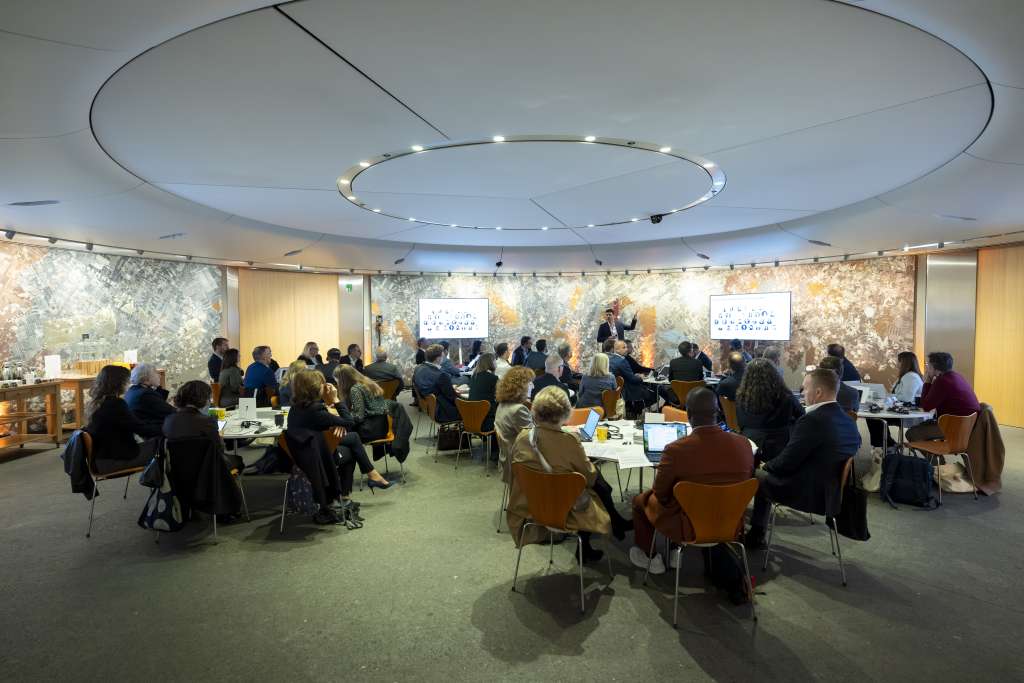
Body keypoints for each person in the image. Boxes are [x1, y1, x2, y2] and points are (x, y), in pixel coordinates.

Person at [629, 388, 754, 580]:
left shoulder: (675, 450)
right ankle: (675, 552)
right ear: (717, 412)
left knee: (641, 501)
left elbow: (661, 494)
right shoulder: (744, 445)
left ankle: (650, 557)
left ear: (688, 414)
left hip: (687, 526)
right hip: (730, 522)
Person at [507, 386, 630, 562]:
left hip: (532, 503)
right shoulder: (568, 441)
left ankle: (611, 527)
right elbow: (589, 477)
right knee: (593, 483)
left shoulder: (523, 438)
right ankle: (613, 524)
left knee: (585, 481)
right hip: (565, 507)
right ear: (565, 412)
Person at [746, 368, 862, 547]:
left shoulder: (812, 421)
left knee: (751, 474)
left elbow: (786, 463)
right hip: (832, 494)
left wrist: (764, 466)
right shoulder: (849, 421)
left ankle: (752, 533)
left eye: (805, 388)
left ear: (818, 392)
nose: (802, 393)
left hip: (807, 492)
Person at [287, 370, 391, 524]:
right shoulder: (316, 411)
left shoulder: (296, 408)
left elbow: (326, 424)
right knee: (351, 450)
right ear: (315, 387)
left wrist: (336, 423)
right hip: (317, 460)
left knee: (352, 439)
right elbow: (350, 422)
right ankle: (348, 491)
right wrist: (335, 399)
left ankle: (363, 481)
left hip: (302, 455)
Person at [84, 365, 162, 472]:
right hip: (112, 461)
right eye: (127, 381)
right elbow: (142, 429)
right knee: (164, 444)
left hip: (100, 458)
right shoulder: (115, 404)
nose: (129, 384)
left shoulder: (95, 403)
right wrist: (166, 429)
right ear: (119, 383)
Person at [163, 380, 244, 473]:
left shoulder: (168, 420)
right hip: (208, 469)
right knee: (238, 460)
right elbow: (219, 450)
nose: (209, 402)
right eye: (209, 399)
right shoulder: (207, 422)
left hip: (178, 471)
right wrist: (219, 432)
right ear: (203, 399)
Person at [736, 359, 805, 464]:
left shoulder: (741, 397)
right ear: (775, 375)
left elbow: (740, 423)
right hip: (780, 448)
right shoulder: (785, 396)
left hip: (749, 446)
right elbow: (801, 415)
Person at [905, 351, 981, 441]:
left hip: (955, 427)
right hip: (967, 425)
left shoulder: (942, 381)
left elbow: (925, 406)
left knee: (912, 433)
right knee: (922, 426)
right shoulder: (957, 376)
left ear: (934, 367)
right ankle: (933, 450)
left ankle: (934, 450)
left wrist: (927, 382)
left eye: (927, 365)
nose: (926, 368)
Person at [868, 351, 925, 449]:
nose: (896, 363)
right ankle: (887, 444)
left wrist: (890, 397)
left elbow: (907, 398)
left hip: (908, 414)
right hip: (901, 411)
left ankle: (888, 445)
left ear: (903, 362)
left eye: (898, 361)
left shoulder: (911, 377)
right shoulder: (906, 376)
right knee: (874, 416)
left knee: (874, 418)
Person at [494, 366, 535, 481]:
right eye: (530, 383)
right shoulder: (518, 410)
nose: (533, 386)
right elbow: (534, 440)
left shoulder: (502, 405)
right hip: (519, 463)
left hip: (506, 460)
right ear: (521, 386)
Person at [335, 364, 392, 444]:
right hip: (383, 427)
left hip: (369, 430)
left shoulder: (355, 389)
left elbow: (359, 417)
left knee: (337, 435)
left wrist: (342, 419)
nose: (337, 383)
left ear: (343, 380)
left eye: (337, 380)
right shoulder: (368, 383)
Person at [412, 344, 460, 423]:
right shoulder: (441, 375)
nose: (443, 358)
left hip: (428, 406)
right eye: (443, 356)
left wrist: (449, 387)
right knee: (472, 409)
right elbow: (452, 397)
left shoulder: (418, 368)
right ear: (438, 359)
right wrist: (456, 391)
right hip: (442, 411)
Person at [124, 363, 174, 434]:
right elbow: (170, 412)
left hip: (142, 430)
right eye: (156, 373)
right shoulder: (145, 394)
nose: (159, 376)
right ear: (146, 378)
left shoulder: (133, 390)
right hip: (152, 432)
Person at [610, 339, 654, 410]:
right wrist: (641, 377)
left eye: (626, 347)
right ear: (617, 350)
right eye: (624, 347)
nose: (626, 349)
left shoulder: (611, 359)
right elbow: (633, 380)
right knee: (653, 391)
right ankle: (637, 411)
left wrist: (634, 376)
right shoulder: (622, 361)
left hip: (616, 390)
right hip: (627, 389)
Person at [468, 352, 499, 432]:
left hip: (472, 419)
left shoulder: (473, 376)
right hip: (487, 421)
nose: (496, 362)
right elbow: (500, 397)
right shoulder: (493, 378)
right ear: (490, 363)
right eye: (495, 360)